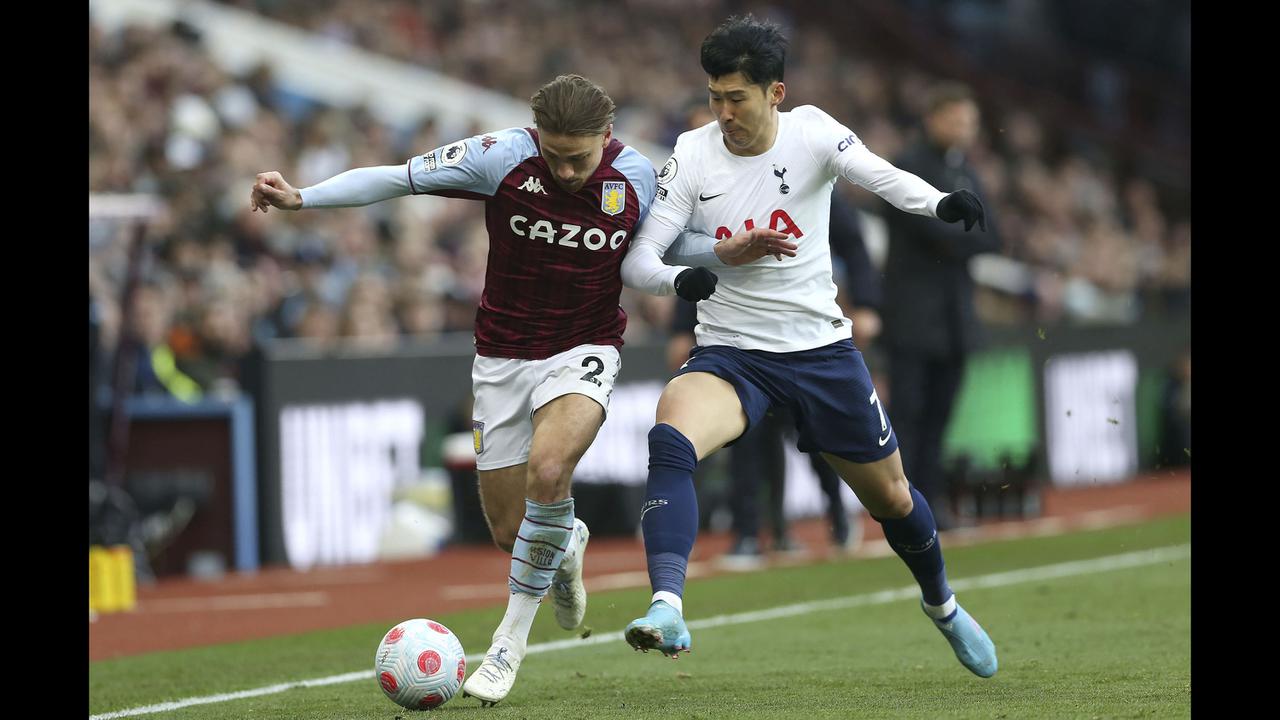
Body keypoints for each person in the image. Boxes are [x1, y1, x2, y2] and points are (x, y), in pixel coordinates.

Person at [250, 74, 786, 705]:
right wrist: (303, 198)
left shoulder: (641, 176)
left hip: (584, 348)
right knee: (512, 531)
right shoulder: (501, 156)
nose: (563, 170)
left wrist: (729, 249)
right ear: (537, 136)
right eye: (553, 155)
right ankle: (567, 540)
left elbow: (674, 243)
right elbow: (396, 177)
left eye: (578, 157)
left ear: (606, 138)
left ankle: (506, 647)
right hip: (501, 358)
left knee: (551, 466)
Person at [618, 15, 998, 678]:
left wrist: (940, 204)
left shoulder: (814, 133)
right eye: (715, 96)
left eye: (736, 97)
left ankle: (942, 605)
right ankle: (667, 605)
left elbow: (880, 177)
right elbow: (640, 259)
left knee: (895, 500)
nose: (724, 112)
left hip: (821, 354)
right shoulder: (692, 152)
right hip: (733, 354)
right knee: (671, 435)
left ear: (776, 93)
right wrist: (706, 262)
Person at [882, 83, 1001, 530]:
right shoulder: (908, 166)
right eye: (956, 119)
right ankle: (902, 508)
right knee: (909, 415)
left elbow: (994, 234)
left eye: (969, 122)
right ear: (932, 118)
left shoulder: (967, 169)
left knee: (940, 417)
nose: (964, 130)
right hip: (913, 317)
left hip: (955, 319)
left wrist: (958, 239)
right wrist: (960, 237)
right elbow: (933, 233)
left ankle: (932, 506)